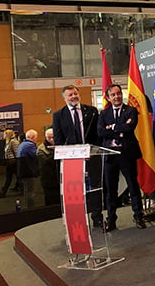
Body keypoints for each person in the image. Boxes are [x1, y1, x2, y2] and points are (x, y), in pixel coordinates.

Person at [52, 85, 102, 228]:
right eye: (70, 95)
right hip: (72, 162)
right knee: (76, 192)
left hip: (92, 158)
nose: (73, 96)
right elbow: (59, 139)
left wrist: (92, 151)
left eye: (75, 93)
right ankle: (78, 221)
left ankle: (97, 218)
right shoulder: (58, 115)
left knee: (95, 188)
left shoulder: (91, 111)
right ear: (64, 98)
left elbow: (98, 134)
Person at [98, 84, 146, 231]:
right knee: (110, 189)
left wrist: (111, 127)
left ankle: (138, 216)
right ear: (108, 97)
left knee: (133, 186)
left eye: (118, 93)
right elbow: (100, 132)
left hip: (127, 154)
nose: (116, 97)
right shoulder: (104, 114)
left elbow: (129, 128)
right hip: (110, 155)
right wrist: (120, 128)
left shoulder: (131, 110)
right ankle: (111, 219)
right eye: (113, 95)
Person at [17, 129, 40, 208]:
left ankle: (28, 207)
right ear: (33, 137)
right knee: (31, 191)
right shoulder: (30, 145)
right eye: (36, 137)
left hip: (23, 171)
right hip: (29, 171)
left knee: (27, 191)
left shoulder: (22, 144)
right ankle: (31, 208)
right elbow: (37, 155)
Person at [0, 129, 21, 198]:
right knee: (14, 177)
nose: (3, 135)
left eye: (4, 134)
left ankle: (3, 192)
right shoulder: (9, 142)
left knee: (10, 178)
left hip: (13, 163)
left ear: (7, 135)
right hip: (10, 162)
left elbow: (17, 153)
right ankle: (18, 188)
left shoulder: (13, 142)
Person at [37, 128, 60, 206]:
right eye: (49, 137)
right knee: (50, 201)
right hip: (48, 180)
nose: (51, 139)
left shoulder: (59, 146)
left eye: (53, 137)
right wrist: (56, 153)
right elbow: (46, 163)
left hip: (58, 178)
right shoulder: (41, 149)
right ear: (46, 137)